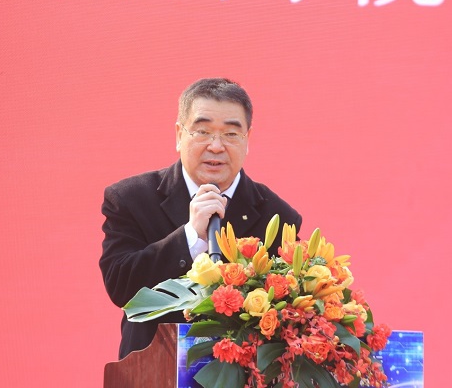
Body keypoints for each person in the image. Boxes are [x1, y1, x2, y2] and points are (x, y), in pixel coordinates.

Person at [100, 77, 302, 359]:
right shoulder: (131, 199)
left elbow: (291, 308)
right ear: (179, 135)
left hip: (242, 370)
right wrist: (190, 236)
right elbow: (121, 287)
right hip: (154, 368)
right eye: (202, 132)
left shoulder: (277, 216)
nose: (216, 146)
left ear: (247, 140)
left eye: (231, 134)